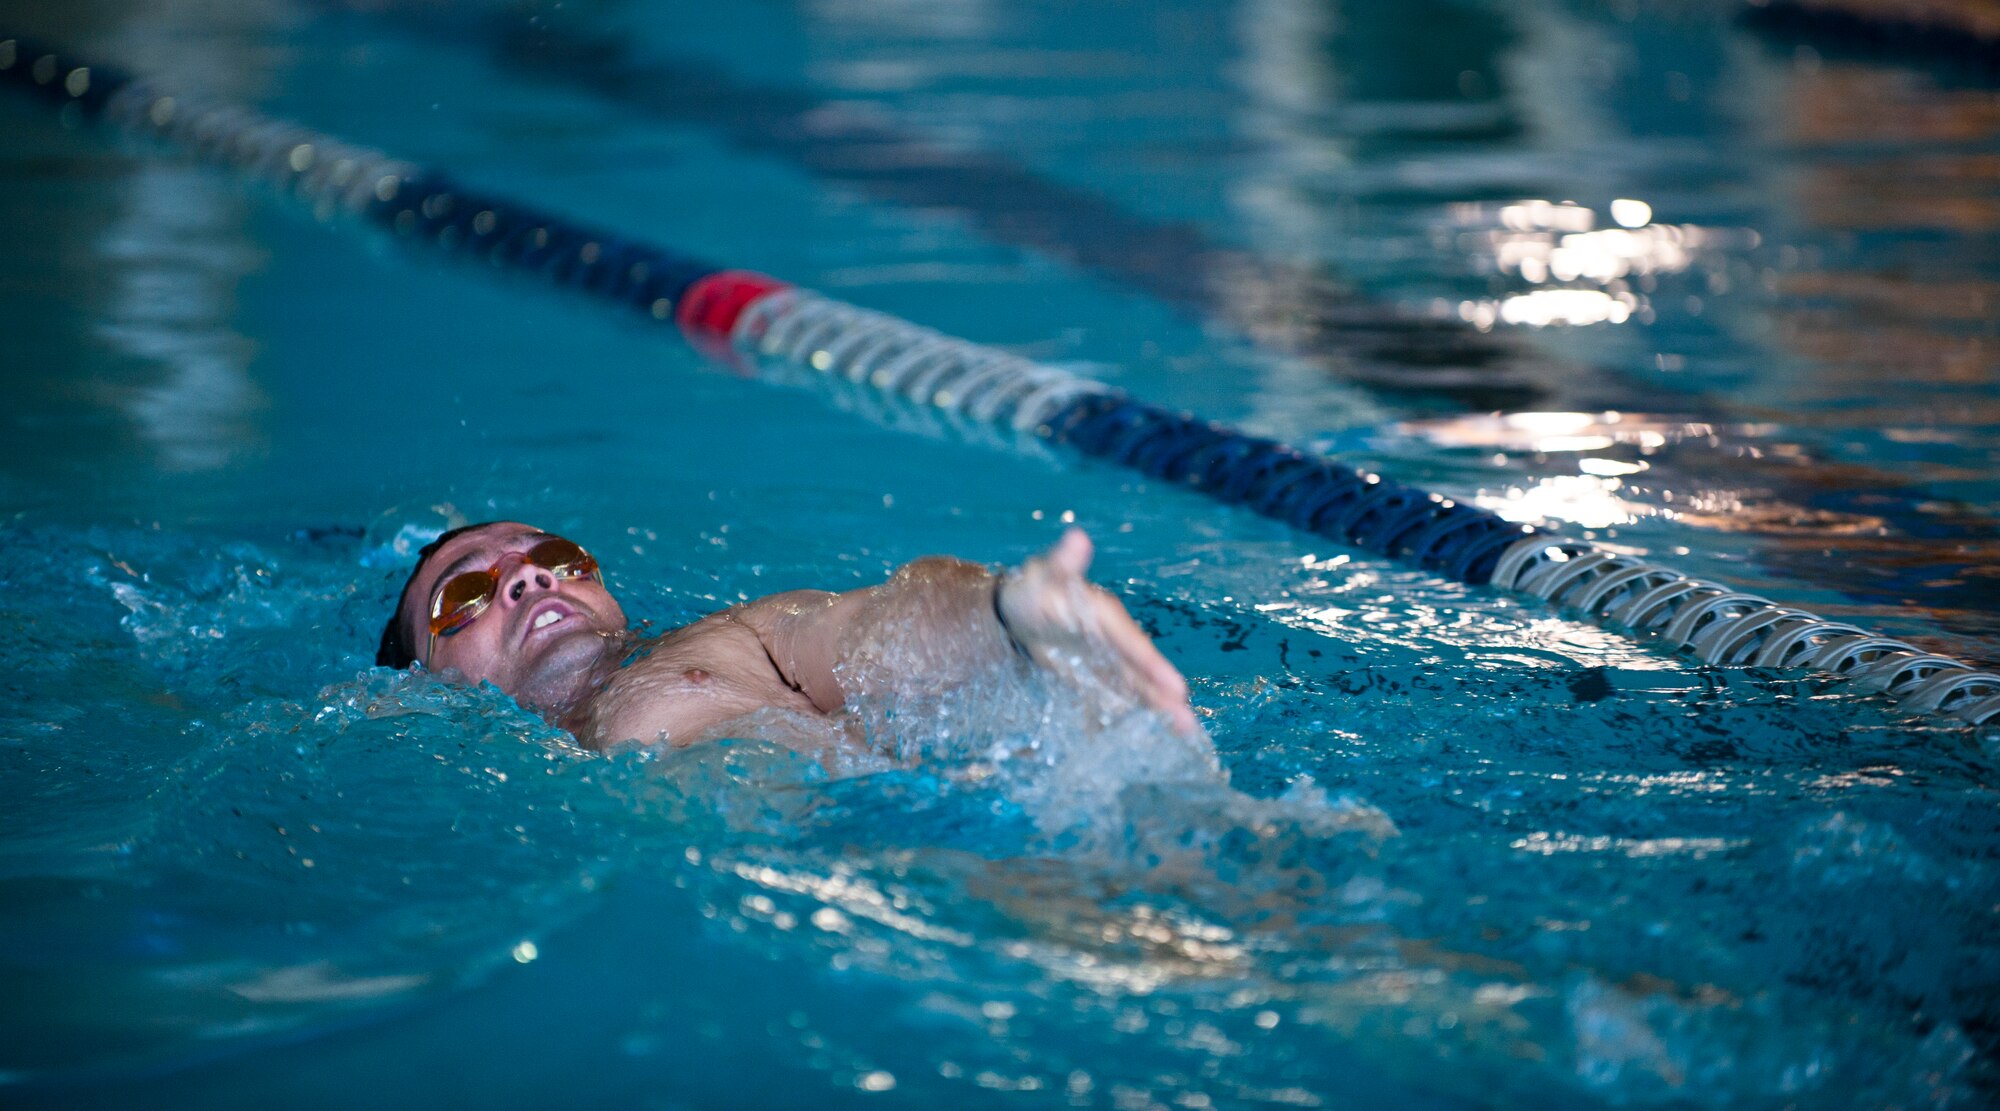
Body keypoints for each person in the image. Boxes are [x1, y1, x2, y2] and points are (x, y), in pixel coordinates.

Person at [377, 521, 1196, 753]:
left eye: (557, 556)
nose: (530, 577)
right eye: (467, 592)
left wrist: (1006, 612)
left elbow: (868, 631)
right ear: (421, 682)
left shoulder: (731, 638)